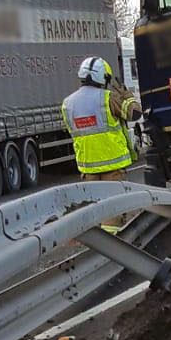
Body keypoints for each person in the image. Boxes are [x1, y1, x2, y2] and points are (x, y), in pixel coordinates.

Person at [60, 56, 140, 232]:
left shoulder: (68, 104)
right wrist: (126, 95)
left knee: (93, 209)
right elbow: (134, 114)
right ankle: (115, 245)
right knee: (112, 210)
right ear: (103, 78)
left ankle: (99, 246)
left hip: (88, 167)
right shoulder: (107, 98)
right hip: (112, 165)